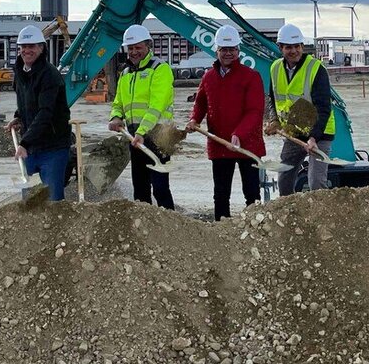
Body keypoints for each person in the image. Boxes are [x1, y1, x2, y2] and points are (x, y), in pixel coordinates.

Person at [185, 25, 265, 220]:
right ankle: (222, 231)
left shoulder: (251, 76)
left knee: (252, 194)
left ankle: (254, 228)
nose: (228, 53)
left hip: (247, 144)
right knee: (221, 194)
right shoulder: (209, 76)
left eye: (232, 50)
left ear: (238, 51)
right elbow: (201, 102)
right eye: (224, 49)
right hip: (219, 142)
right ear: (216, 50)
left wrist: (239, 133)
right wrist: (194, 119)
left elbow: (255, 111)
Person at [108, 24, 175, 210]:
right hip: (135, 137)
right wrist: (115, 117)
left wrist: (142, 131)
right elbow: (118, 103)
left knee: (160, 188)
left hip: (158, 137)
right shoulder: (126, 73)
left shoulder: (160, 69)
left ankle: (170, 230)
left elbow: (156, 106)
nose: (134, 52)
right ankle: (144, 229)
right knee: (140, 189)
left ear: (148, 46)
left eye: (138, 47)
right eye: (131, 48)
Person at [264, 23, 334, 195]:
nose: (293, 51)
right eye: (288, 47)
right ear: (280, 47)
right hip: (294, 131)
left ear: (302, 46)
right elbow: (272, 99)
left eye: (297, 46)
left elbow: (323, 108)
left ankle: (319, 216)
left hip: (319, 132)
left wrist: (313, 137)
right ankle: (288, 213)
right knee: (284, 176)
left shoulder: (316, 68)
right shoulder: (275, 68)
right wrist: (273, 120)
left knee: (316, 182)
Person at [4, 25, 72, 201]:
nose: (27, 50)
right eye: (23, 47)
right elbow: (27, 103)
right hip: (33, 146)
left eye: (32, 46)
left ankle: (57, 228)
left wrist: (25, 142)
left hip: (53, 147)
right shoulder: (20, 73)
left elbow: (45, 112)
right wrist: (18, 117)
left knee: (52, 199)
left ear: (41, 48)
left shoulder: (49, 75)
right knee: (32, 201)